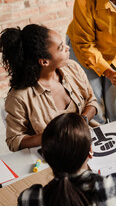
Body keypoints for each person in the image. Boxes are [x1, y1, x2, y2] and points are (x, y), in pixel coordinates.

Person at [0, 24, 98, 152]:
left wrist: (81, 122)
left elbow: (92, 101)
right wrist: (54, 135)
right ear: (44, 62)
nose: (68, 48)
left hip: (91, 143)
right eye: (61, 48)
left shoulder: (72, 68)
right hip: (55, 156)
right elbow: (14, 141)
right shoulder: (19, 98)